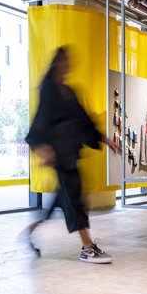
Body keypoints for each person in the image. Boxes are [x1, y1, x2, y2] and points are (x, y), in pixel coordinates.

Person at [25, 46, 119, 264]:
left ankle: (32, 231)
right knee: (74, 199)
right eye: (66, 61)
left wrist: (104, 139)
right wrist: (43, 148)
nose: (69, 65)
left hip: (70, 151)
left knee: (64, 198)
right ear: (57, 62)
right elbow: (41, 120)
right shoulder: (48, 88)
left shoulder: (69, 90)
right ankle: (87, 247)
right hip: (59, 154)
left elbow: (83, 120)